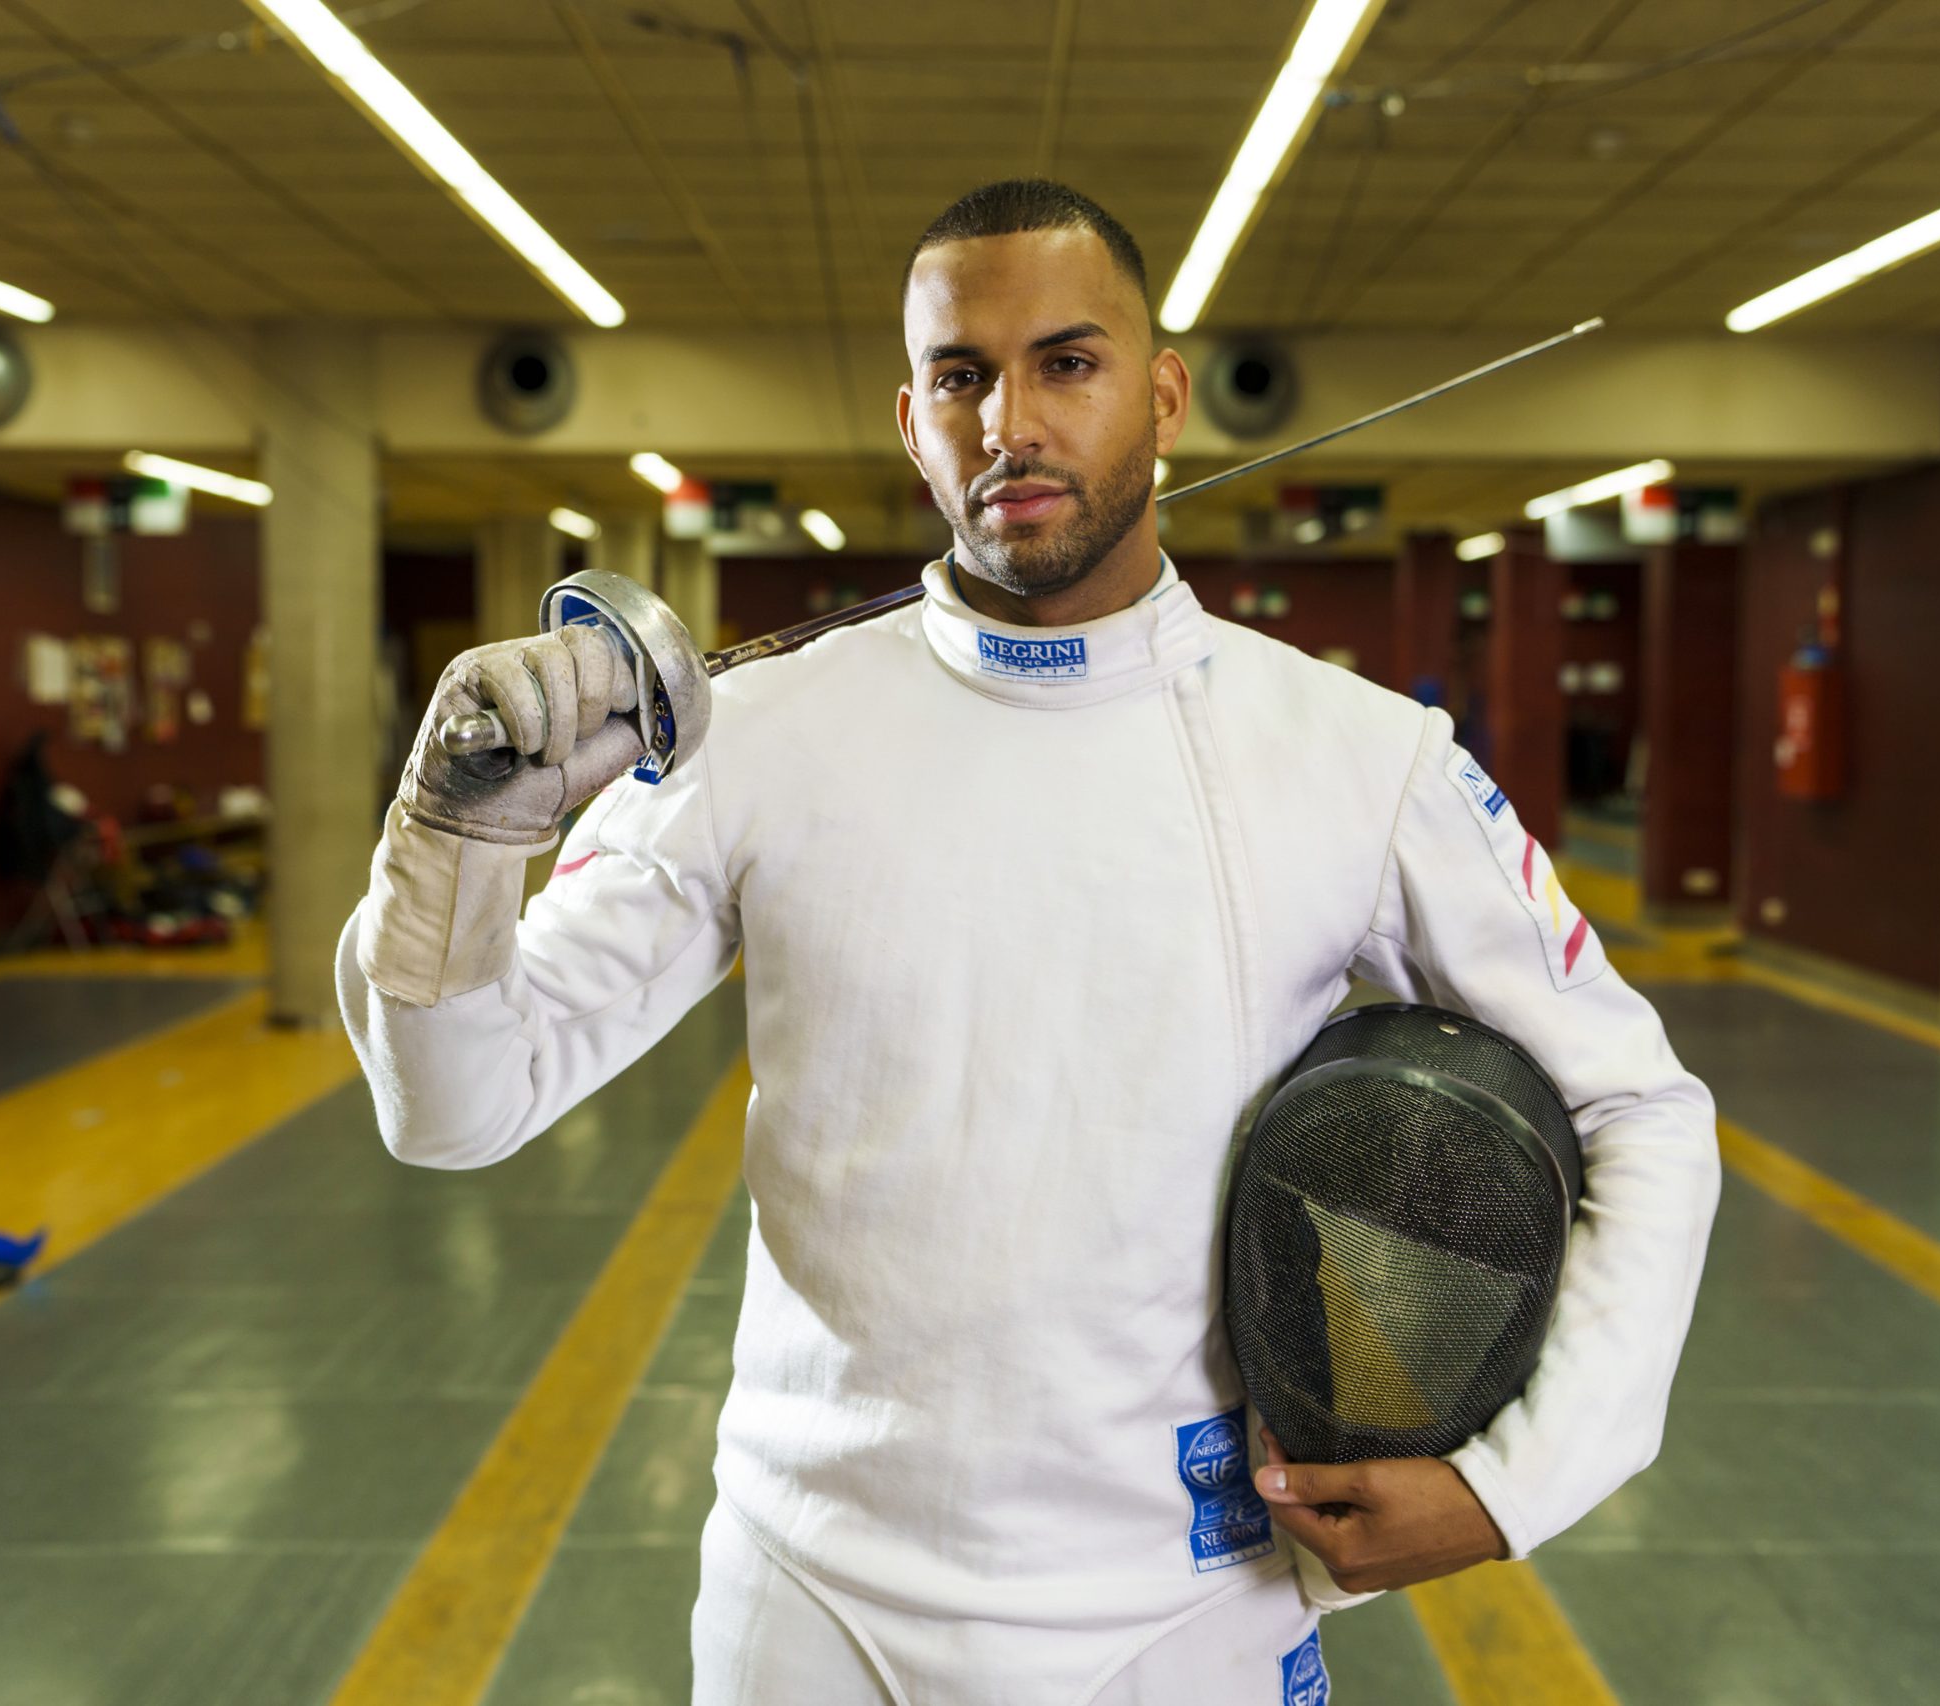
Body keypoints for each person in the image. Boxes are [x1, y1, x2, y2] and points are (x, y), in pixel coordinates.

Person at [340, 179, 1719, 1706]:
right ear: (913, 416)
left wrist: (1521, 1478)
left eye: (1069, 361)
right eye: (961, 374)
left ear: (1164, 393)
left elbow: (1640, 1105)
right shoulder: (760, 735)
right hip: (809, 1600)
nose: (1012, 420)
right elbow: (456, 1105)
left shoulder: (1358, 753)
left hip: (1182, 1611)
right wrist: (449, 840)